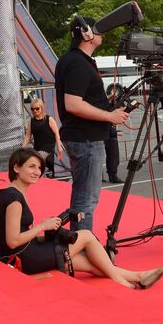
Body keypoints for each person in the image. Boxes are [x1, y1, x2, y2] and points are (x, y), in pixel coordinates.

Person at [0, 148, 163, 288]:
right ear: (16, 167)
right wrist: (42, 226)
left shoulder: (10, 193)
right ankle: (119, 280)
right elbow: (13, 241)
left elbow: (17, 234)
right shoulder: (14, 200)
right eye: (31, 167)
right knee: (86, 236)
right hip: (25, 258)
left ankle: (140, 277)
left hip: (24, 253)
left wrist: (44, 234)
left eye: (39, 168)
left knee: (89, 263)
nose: (37, 172)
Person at [54, 16, 129, 230]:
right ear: (86, 34)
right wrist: (109, 116)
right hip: (85, 140)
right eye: (97, 29)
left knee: (83, 196)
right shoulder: (78, 63)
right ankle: (80, 243)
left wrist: (109, 110)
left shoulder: (74, 60)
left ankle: (76, 240)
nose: (101, 33)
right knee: (86, 199)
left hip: (83, 138)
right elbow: (73, 104)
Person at [22, 98, 63, 179]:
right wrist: (22, 148)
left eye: (37, 108)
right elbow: (28, 136)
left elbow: (56, 133)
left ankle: (40, 176)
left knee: (38, 158)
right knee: (31, 160)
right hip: (37, 146)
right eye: (32, 109)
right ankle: (40, 176)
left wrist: (59, 146)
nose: (35, 111)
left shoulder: (49, 119)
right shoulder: (32, 121)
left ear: (42, 108)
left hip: (48, 146)